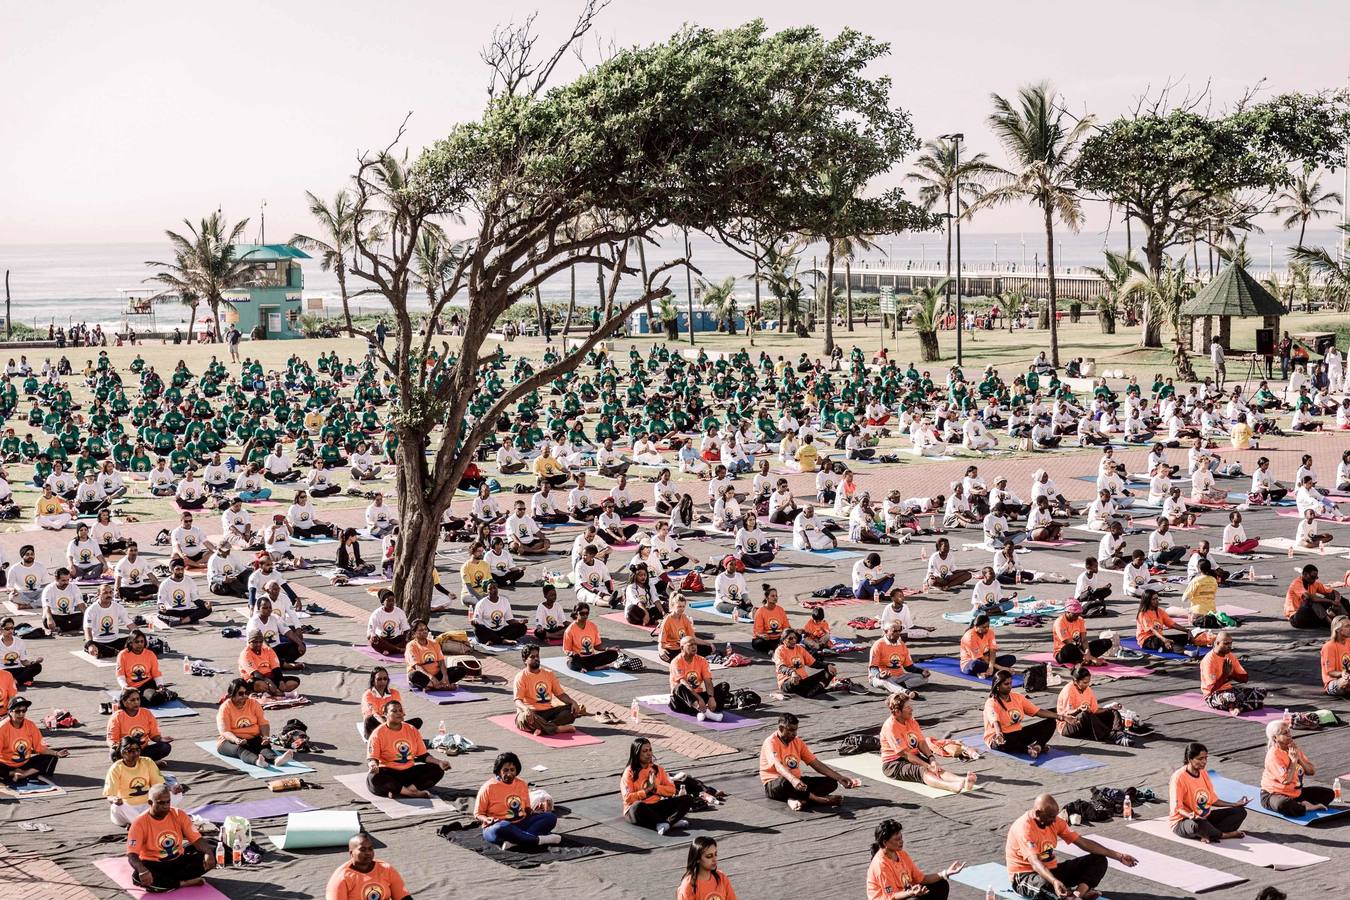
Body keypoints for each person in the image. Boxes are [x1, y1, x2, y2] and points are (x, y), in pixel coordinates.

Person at [1005, 793, 1136, 900]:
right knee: (1045, 884)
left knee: (1099, 859)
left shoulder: (1055, 821)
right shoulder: (1024, 828)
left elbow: (1083, 843)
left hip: (1051, 871)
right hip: (1025, 876)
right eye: (1051, 817)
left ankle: (1078, 894)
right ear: (1038, 813)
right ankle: (1068, 896)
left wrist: (1119, 856)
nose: (1054, 820)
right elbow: (1035, 862)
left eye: (1055, 816)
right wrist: (1054, 881)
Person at [758, 713, 859, 810]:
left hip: (796, 781)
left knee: (831, 783)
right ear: (781, 729)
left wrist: (839, 777)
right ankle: (818, 800)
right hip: (775, 784)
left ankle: (795, 798)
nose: (795, 734)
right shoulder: (771, 742)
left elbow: (815, 763)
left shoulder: (797, 742)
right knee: (785, 782)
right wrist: (793, 780)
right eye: (791, 730)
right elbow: (778, 765)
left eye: (796, 730)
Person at [125, 784, 217, 891]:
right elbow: (132, 854)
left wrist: (208, 854)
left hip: (178, 860)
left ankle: (168, 883)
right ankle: (183, 882)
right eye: (161, 803)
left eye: (168, 801)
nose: (166, 806)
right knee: (137, 877)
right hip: (154, 864)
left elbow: (196, 839)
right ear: (150, 803)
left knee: (213, 849)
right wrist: (142, 870)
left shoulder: (179, 814)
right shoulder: (139, 823)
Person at [879, 692, 975, 793]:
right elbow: (904, 753)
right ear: (898, 712)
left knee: (936, 768)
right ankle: (950, 786)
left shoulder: (911, 721)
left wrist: (931, 759)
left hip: (911, 755)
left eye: (910, 706)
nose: (911, 709)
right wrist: (927, 766)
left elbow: (921, 742)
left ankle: (963, 781)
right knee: (922, 771)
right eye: (907, 707)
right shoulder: (890, 726)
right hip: (894, 763)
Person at [366, 699, 451, 799]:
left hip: (408, 772)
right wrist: (373, 765)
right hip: (389, 772)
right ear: (385, 714)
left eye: (400, 710)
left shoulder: (411, 729)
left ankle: (407, 790)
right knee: (374, 778)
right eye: (394, 711)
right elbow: (372, 758)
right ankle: (410, 793)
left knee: (437, 769)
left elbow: (423, 756)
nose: (399, 713)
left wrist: (439, 762)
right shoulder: (378, 733)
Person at [475, 751, 561, 848]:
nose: (509, 773)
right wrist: (486, 819)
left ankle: (516, 841)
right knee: (501, 828)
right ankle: (539, 840)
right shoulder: (488, 787)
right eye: (505, 770)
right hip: (499, 825)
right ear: (499, 771)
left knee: (550, 817)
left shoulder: (522, 784)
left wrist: (532, 811)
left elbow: (526, 807)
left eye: (512, 770)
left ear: (516, 770)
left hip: (521, 823)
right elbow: (478, 814)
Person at [1169, 742, 1248, 843]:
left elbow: (1213, 799)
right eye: (1200, 759)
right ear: (1189, 759)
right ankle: (1223, 835)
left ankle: (1208, 833)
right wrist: (1190, 816)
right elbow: (1178, 808)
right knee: (1197, 824)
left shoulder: (1203, 773)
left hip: (1204, 817)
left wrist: (1234, 804)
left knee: (1240, 812)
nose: (1204, 762)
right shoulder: (1178, 777)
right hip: (1184, 820)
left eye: (1206, 758)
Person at [104, 736, 185, 827]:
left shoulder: (147, 762)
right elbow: (110, 795)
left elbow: (159, 786)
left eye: (137, 750)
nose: (135, 753)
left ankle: (141, 823)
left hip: (148, 806)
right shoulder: (116, 768)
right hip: (128, 808)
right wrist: (115, 799)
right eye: (130, 751)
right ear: (122, 752)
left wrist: (172, 788)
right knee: (116, 807)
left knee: (176, 794)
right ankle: (147, 824)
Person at [1261, 718, 1336, 817]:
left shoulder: (1293, 749)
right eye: (1285, 733)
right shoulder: (1273, 755)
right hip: (1273, 794)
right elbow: (1286, 780)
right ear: (1275, 738)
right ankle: (1306, 806)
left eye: (1289, 731)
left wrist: (1299, 757)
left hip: (1295, 793)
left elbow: (1311, 771)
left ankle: (1300, 803)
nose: (1289, 735)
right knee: (1284, 804)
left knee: (1329, 794)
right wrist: (1293, 761)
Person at [621, 737, 696, 835]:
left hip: (655, 807)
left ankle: (666, 823)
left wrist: (656, 788)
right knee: (637, 806)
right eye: (645, 751)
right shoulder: (629, 772)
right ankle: (665, 822)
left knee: (687, 799)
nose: (649, 753)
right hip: (636, 811)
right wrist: (646, 791)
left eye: (650, 750)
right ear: (637, 753)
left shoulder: (658, 769)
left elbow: (672, 790)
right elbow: (627, 798)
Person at [216, 677, 294, 770]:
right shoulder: (225, 707)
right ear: (232, 694)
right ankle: (257, 761)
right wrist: (236, 740)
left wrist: (265, 737)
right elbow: (225, 731)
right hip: (230, 741)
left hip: (253, 738)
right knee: (241, 749)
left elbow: (263, 723)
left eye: (247, 693)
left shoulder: (253, 703)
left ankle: (276, 759)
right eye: (240, 693)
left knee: (264, 747)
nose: (244, 696)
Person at [513, 643, 583, 735]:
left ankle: (544, 727)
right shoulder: (521, 677)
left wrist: (573, 702)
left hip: (547, 712)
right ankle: (556, 729)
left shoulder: (549, 674)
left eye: (537, 656)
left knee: (571, 710)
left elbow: (560, 694)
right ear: (525, 660)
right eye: (532, 657)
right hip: (531, 713)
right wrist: (525, 709)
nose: (536, 659)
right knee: (524, 719)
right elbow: (518, 700)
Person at [0, 696, 68, 785]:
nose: (21, 714)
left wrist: (56, 753)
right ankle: (12, 773)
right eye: (17, 711)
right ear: (9, 712)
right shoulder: (2, 728)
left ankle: (23, 775)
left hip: (24, 763)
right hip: (5, 765)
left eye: (24, 711)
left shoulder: (30, 725)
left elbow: (40, 748)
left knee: (51, 757)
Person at [1056, 666, 1132, 746]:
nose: (1087, 685)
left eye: (1088, 682)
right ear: (1076, 681)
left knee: (1113, 712)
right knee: (1085, 714)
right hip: (1067, 726)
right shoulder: (1068, 691)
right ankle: (1112, 735)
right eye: (1084, 683)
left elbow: (1095, 710)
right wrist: (1079, 709)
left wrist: (1110, 708)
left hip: (1084, 721)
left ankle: (1119, 734)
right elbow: (1067, 715)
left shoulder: (1088, 689)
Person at [325, 833, 412, 900]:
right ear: (351, 853)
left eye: (370, 849)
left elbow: (403, 897)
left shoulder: (386, 869)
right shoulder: (341, 878)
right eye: (362, 849)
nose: (368, 853)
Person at [1201, 631, 1266, 713]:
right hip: (1213, 695)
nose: (1229, 647)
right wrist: (1225, 675)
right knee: (1229, 697)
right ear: (1217, 643)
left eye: (1230, 644)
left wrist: (1232, 674)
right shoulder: (1209, 660)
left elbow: (1245, 678)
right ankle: (1243, 705)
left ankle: (1240, 706)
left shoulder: (1230, 656)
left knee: (1261, 691)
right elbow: (1211, 689)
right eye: (1226, 644)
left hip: (1230, 690)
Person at [669, 636, 726, 720]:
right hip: (683, 700)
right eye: (690, 645)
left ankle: (703, 710)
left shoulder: (702, 660)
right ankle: (706, 712)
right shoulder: (676, 661)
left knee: (724, 686)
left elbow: (708, 680)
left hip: (697, 696)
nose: (694, 647)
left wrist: (711, 697)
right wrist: (699, 699)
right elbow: (684, 682)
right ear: (682, 647)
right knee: (680, 687)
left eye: (695, 644)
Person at [116, 629, 175, 708]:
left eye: (142, 641)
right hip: (130, 687)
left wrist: (160, 686)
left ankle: (166, 694)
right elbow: (120, 675)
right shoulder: (123, 655)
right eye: (137, 642)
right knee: (124, 703)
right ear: (130, 643)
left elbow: (156, 673)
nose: (140, 644)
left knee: (153, 698)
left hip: (147, 684)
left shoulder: (150, 654)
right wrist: (125, 687)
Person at [868, 621, 929, 695]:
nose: (898, 633)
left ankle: (897, 686)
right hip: (882, 677)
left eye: (899, 630)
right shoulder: (878, 645)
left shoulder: (902, 644)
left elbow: (908, 667)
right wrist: (879, 675)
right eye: (895, 631)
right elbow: (873, 667)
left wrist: (921, 671)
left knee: (923, 678)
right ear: (886, 631)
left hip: (900, 677)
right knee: (884, 681)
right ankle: (905, 691)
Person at [404, 619, 467, 691]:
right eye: (420, 630)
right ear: (414, 633)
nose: (424, 631)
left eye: (425, 629)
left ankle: (433, 685)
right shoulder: (411, 646)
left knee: (461, 670)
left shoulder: (434, 643)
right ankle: (441, 686)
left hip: (437, 674)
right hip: (424, 675)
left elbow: (441, 661)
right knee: (413, 675)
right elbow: (417, 667)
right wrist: (431, 677)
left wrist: (445, 676)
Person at [773, 629, 836, 697]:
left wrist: (827, 665)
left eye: (795, 638)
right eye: (790, 638)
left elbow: (813, 663)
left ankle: (814, 690)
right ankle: (817, 689)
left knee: (830, 671)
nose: (794, 640)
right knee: (795, 682)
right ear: (783, 640)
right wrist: (792, 673)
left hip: (803, 680)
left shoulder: (799, 648)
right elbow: (781, 667)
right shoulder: (779, 650)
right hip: (788, 682)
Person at [239, 628, 302, 696]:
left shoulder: (268, 650)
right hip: (254, 679)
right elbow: (255, 673)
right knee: (259, 684)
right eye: (255, 642)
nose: (258, 644)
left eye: (260, 642)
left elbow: (276, 668)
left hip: (270, 677)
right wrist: (269, 682)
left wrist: (280, 681)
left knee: (295, 681)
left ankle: (272, 691)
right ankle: (274, 691)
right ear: (249, 642)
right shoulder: (245, 654)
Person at [1285, 564, 1347, 630]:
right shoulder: (1296, 583)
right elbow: (1311, 598)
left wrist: (1336, 601)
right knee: (1310, 600)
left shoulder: (1314, 583)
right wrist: (1332, 602)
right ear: (1305, 574)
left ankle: (1346, 620)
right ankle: (1331, 624)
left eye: (1316, 577)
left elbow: (1334, 592)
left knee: (1335, 597)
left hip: (1310, 616)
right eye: (1312, 577)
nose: (1314, 580)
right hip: (1296, 618)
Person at [562, 601, 619, 670]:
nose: (585, 616)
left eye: (587, 613)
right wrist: (571, 653)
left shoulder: (592, 626)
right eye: (582, 613)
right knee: (572, 663)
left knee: (613, 654)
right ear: (576, 614)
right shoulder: (569, 630)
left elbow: (597, 646)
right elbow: (566, 650)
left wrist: (608, 649)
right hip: (578, 659)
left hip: (591, 658)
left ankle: (587, 667)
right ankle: (595, 667)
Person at [1052, 601, 1111, 666]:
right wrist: (1092, 658)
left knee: (1106, 642)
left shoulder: (1080, 620)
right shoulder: (1059, 622)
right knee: (1070, 647)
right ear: (1067, 612)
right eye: (1074, 614)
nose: (1077, 617)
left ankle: (1083, 660)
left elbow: (1084, 639)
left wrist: (1087, 652)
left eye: (1078, 614)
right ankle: (1086, 661)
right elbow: (1069, 643)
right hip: (1064, 653)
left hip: (1079, 650)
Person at [367, 590, 411, 657]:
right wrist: (373, 635)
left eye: (393, 600)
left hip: (396, 639)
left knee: (412, 638)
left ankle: (388, 650)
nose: (391, 603)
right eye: (388, 600)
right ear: (382, 602)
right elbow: (370, 631)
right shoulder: (376, 614)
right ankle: (399, 650)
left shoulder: (400, 612)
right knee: (373, 642)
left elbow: (406, 629)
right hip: (382, 640)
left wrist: (409, 637)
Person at [0, 617, 42, 685]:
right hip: (3, 671)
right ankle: (22, 679)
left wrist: (34, 662)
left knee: (37, 666)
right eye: (7, 629)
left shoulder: (20, 642)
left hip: (17, 669)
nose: (10, 631)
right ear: (1, 630)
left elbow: (24, 661)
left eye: (12, 628)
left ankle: (15, 681)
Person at [1321, 615, 1350, 697]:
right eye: (1347, 626)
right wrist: (1342, 674)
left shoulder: (1348, 641)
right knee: (1345, 681)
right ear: (1338, 629)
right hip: (1334, 681)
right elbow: (1330, 672)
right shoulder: (1329, 646)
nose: (1349, 628)